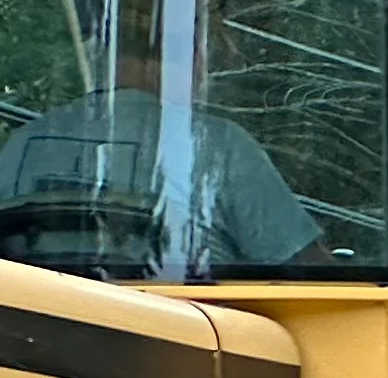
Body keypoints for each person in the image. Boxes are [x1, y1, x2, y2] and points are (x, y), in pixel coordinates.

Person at [0, 48, 325, 277]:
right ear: (166, 59)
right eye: (197, 53)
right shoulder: (219, 145)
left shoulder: (23, 141)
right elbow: (314, 276)